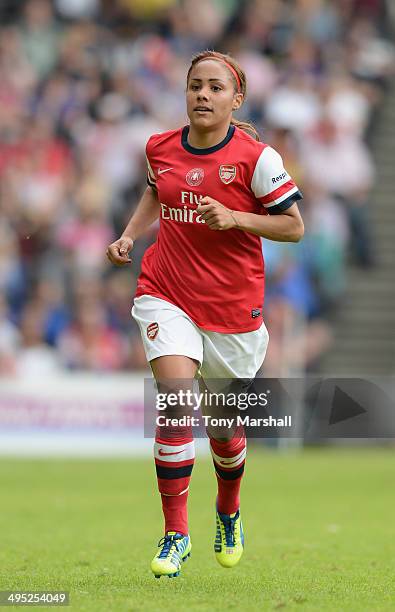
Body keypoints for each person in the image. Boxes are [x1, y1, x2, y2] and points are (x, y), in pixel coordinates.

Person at [106, 50, 304, 578]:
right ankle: (176, 534)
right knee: (174, 405)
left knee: (223, 429)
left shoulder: (258, 159)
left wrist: (236, 217)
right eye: (195, 85)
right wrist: (129, 234)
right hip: (166, 291)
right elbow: (157, 192)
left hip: (233, 311)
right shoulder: (160, 147)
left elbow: (294, 227)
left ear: (236, 98)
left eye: (216, 88)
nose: (202, 95)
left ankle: (228, 509)